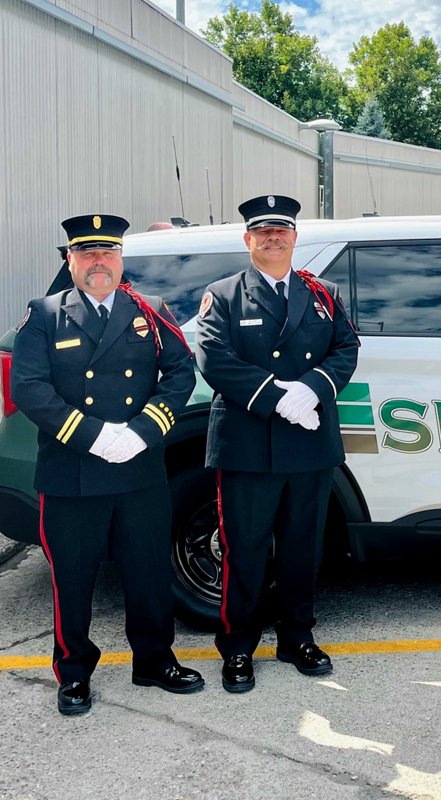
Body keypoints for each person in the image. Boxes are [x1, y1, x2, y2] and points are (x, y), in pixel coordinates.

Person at [11, 214, 203, 715]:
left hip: (138, 469)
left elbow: (180, 373)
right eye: (87, 253)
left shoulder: (150, 309)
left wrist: (142, 431)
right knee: (72, 581)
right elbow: (28, 387)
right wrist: (93, 436)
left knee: (148, 573)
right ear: (71, 260)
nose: (99, 262)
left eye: (108, 252)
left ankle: (154, 660)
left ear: (120, 258)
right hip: (72, 471)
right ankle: (74, 673)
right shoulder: (44, 314)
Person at [195, 195, 359, 693]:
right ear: (248, 239)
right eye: (263, 230)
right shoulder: (224, 294)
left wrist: (312, 388)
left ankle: (297, 637)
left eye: (281, 230)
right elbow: (213, 357)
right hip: (248, 443)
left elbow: (346, 347)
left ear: (294, 237)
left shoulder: (323, 293)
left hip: (309, 442)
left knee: (302, 547)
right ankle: (237, 647)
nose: (273, 237)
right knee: (243, 550)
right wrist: (276, 398)